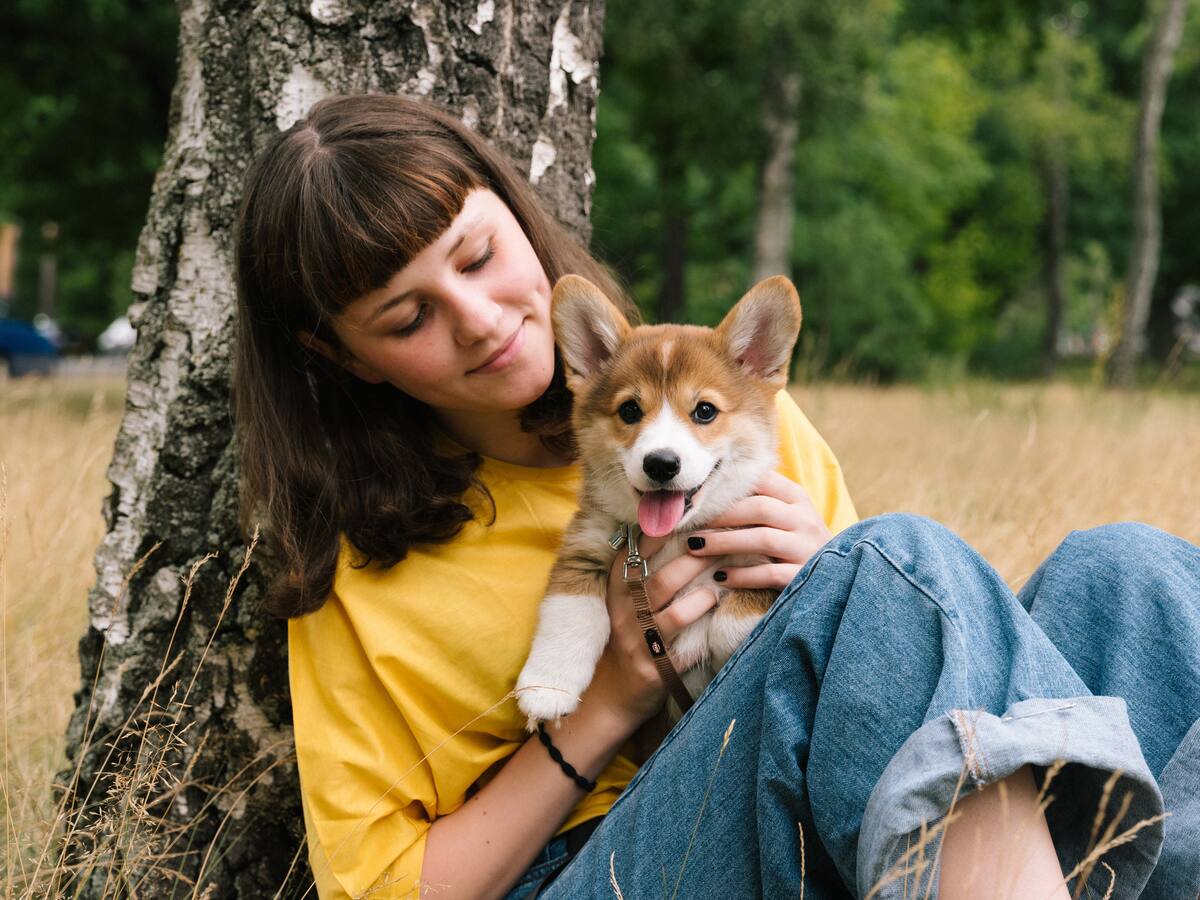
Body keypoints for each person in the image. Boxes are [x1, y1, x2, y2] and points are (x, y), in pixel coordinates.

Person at [232, 93, 1200, 900]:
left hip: (811, 807)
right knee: (897, 563)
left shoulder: (724, 413)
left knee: (1131, 575)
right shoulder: (359, 575)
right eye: (409, 318)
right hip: (603, 860)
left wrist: (826, 574)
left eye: (480, 257)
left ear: (515, 211)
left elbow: (905, 703)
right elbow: (387, 887)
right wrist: (606, 703)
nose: (481, 321)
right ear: (341, 356)